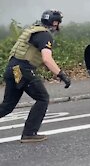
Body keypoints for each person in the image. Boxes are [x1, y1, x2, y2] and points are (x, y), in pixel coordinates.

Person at [0, 10, 71, 143]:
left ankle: (29, 133)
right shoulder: (45, 35)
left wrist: (53, 71)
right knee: (43, 98)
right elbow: (47, 59)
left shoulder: (33, 31)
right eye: (59, 23)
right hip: (22, 70)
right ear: (54, 22)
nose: (59, 26)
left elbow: (35, 57)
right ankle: (29, 133)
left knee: (7, 106)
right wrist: (61, 74)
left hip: (13, 69)